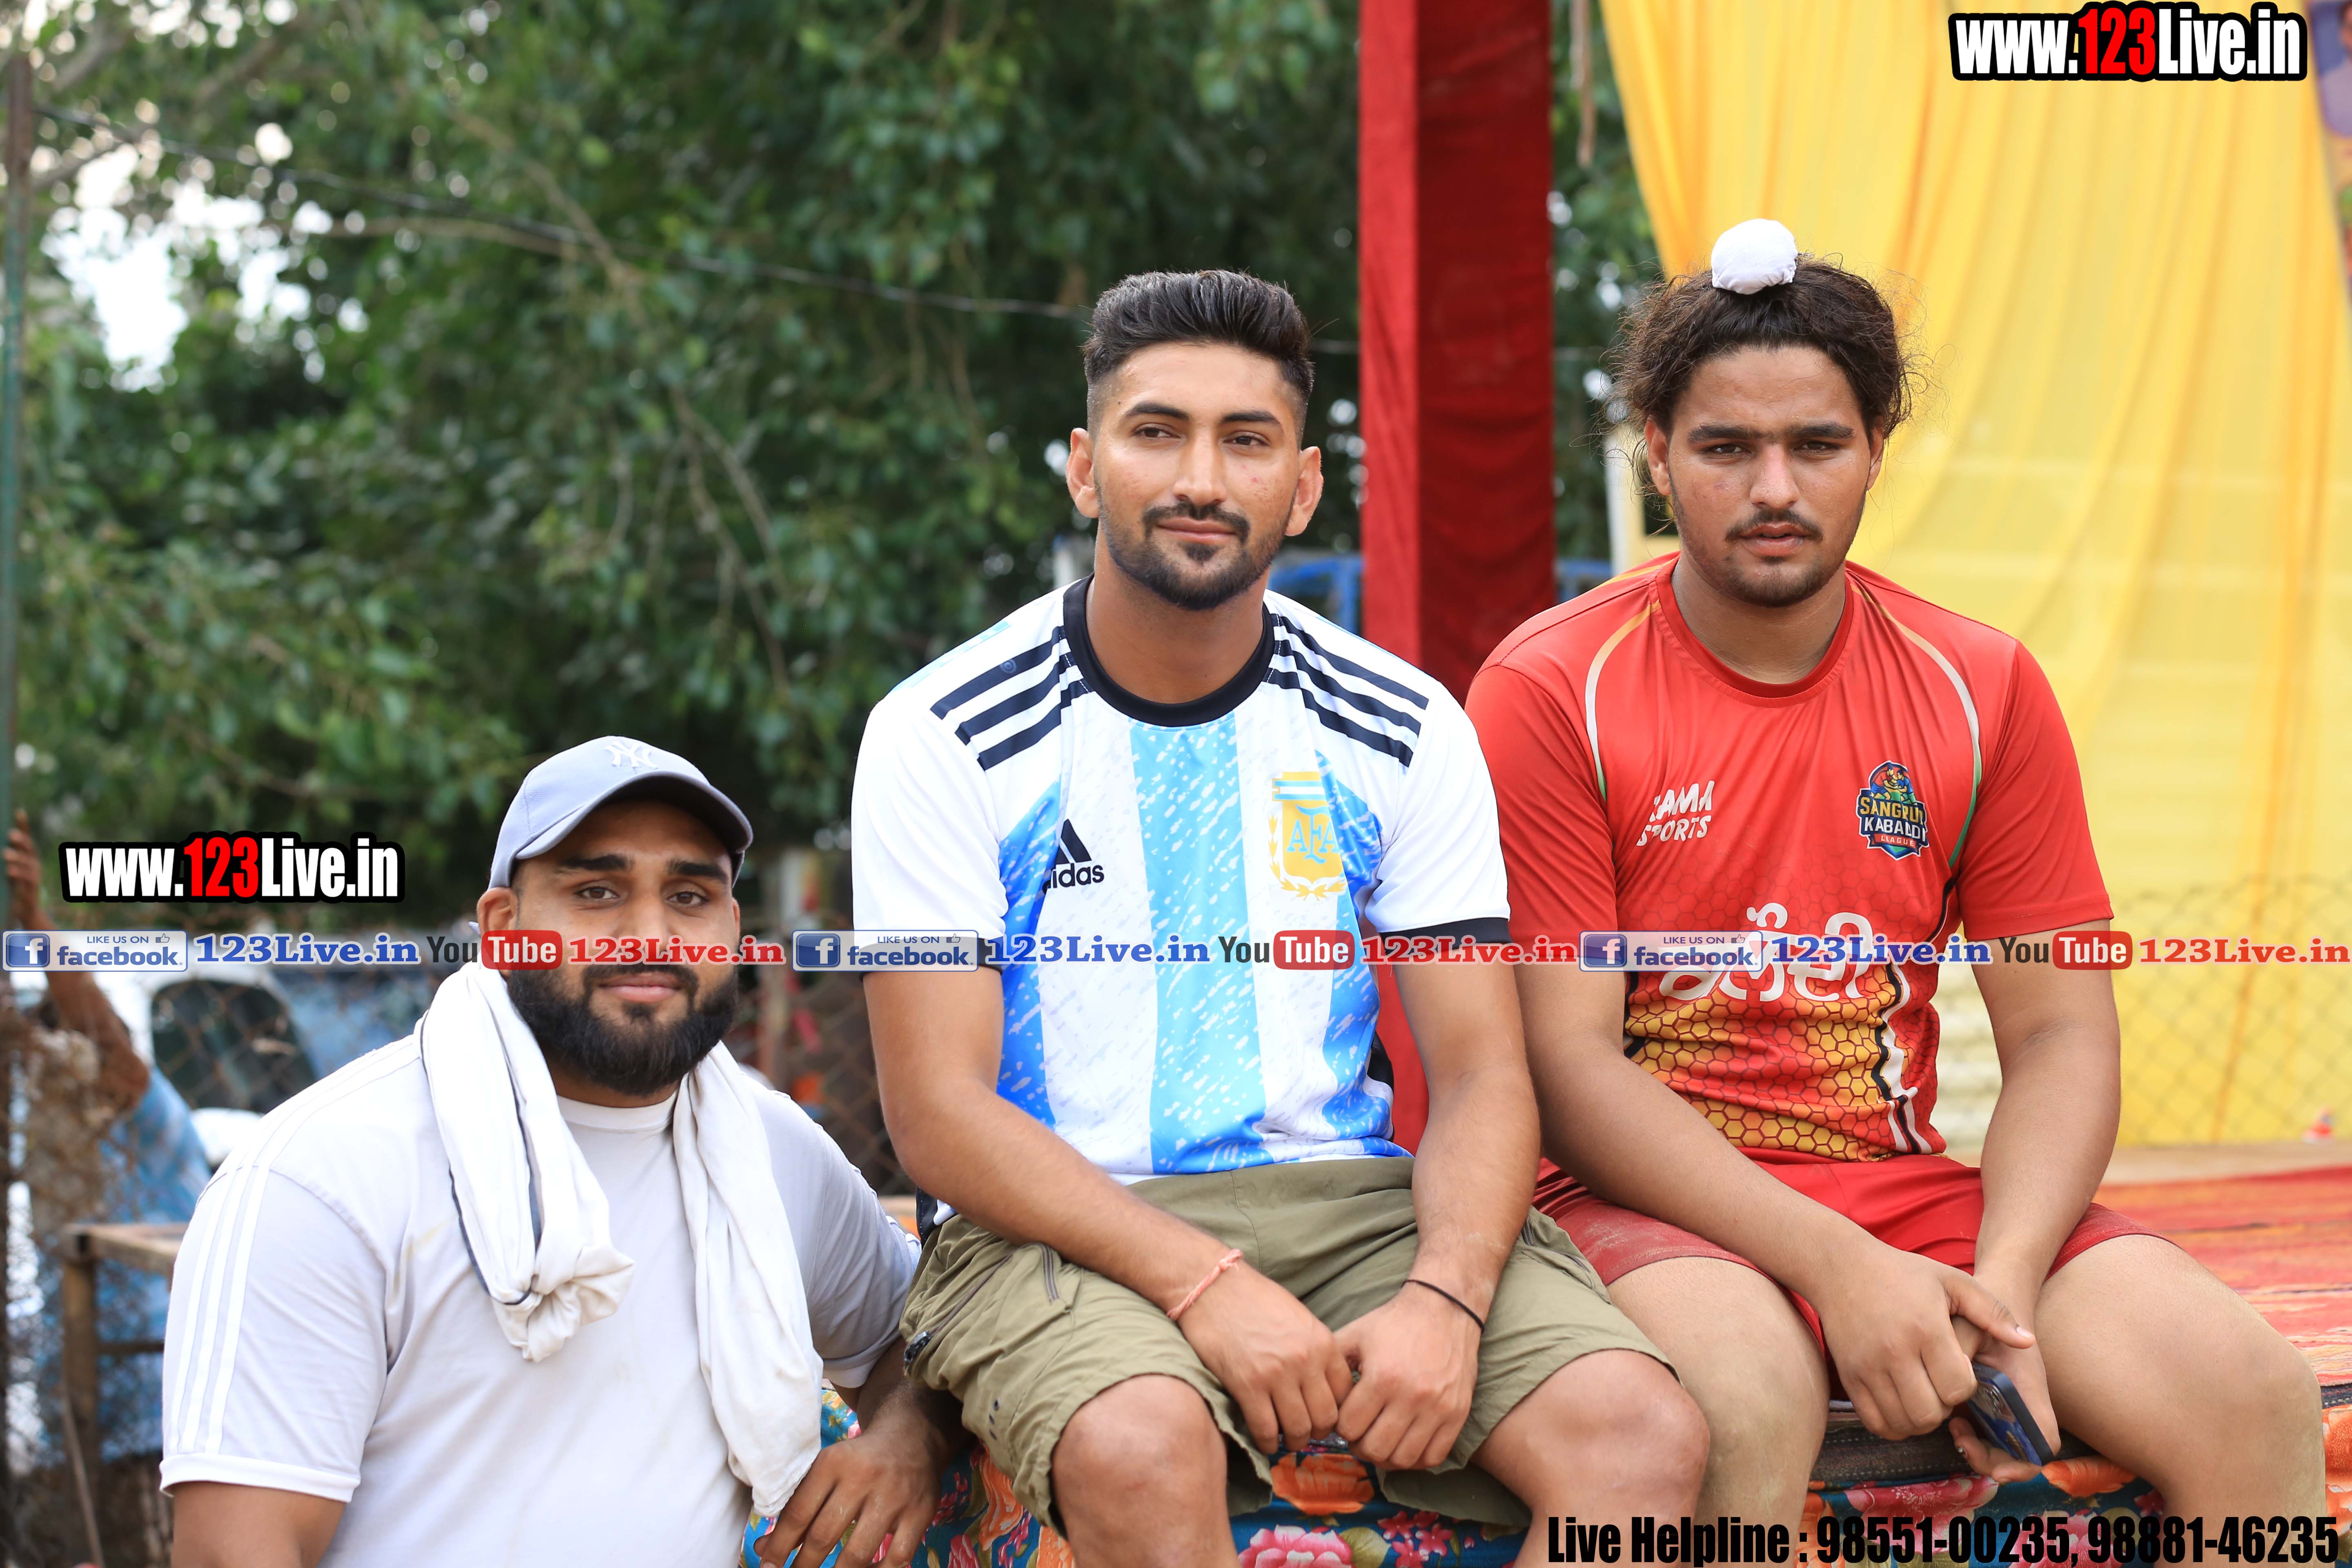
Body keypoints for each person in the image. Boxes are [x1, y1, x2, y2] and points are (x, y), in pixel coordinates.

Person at [1466, 222, 2324, 1522]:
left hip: (1898, 1183)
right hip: (1630, 1200)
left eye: (1816, 444)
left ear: (1877, 446)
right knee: (1744, 1406)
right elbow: (1569, 1070)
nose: (1774, 487)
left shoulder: (1980, 684)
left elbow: (2062, 1036)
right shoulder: (1550, 687)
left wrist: (2008, 1291)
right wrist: (1840, 1268)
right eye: (1725, 447)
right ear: (1655, 451)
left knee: (2252, 1396)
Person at [853, 269, 1706, 1568]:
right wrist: (1205, 1285)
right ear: (1084, 469)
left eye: (1245, 440)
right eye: (1156, 433)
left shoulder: (1400, 722)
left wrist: (1447, 1297)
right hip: (1055, 1225)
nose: (1201, 478)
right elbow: (937, 1113)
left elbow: (1484, 1073)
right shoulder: (943, 730)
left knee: (1638, 1437)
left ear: (1302, 488)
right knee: (1141, 1445)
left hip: (1349, 1208)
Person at [162, 739, 962, 1568]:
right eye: (596, 892)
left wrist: (910, 1437)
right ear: (503, 929)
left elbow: (920, 1344)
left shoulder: (770, 1151)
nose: (648, 935)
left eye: (689, 896)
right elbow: (237, 1553)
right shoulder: (324, 1175)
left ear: (730, 931)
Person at [7, 808, 211, 1468]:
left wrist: (34, 921)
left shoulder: (147, 1117)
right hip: (75, 1413)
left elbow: (103, 1039)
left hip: (158, 1411)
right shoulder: (56, 1142)